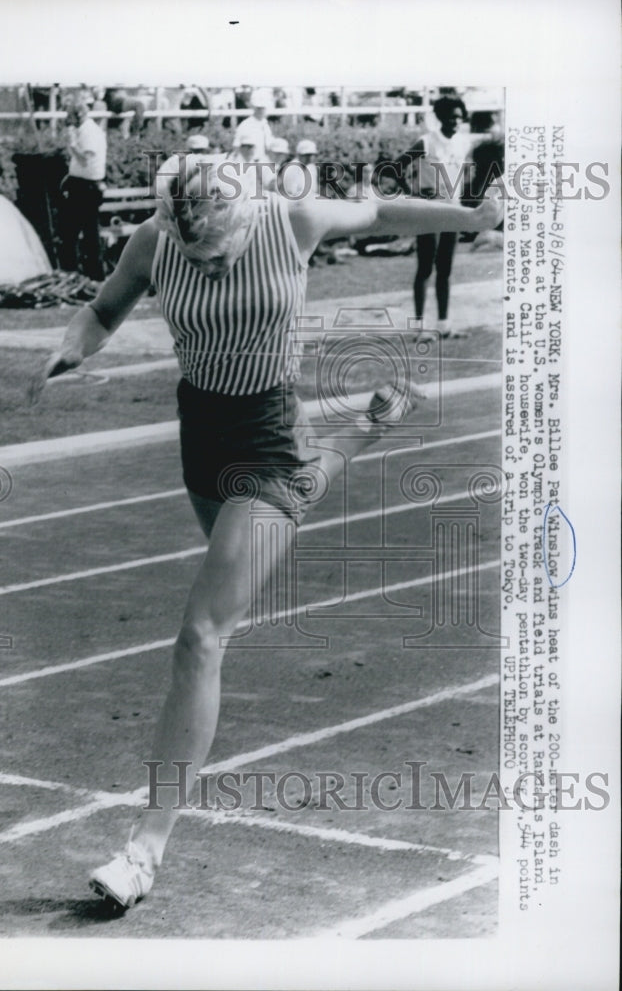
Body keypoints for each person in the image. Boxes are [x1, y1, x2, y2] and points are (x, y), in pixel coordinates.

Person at [29, 152, 502, 910]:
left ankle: (144, 852)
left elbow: (380, 213)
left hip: (268, 436)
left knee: (203, 635)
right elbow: (108, 305)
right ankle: (362, 429)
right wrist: (74, 342)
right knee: (232, 604)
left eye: (218, 256)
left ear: (245, 219)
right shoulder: (155, 240)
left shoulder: (294, 220)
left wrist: (471, 218)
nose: (207, 270)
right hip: (201, 437)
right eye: (195, 259)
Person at [373, 95, 497, 337]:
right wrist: (413, 193)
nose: (455, 122)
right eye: (451, 117)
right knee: (425, 268)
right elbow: (396, 169)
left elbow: (464, 174)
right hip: (428, 212)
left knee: (445, 269)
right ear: (440, 118)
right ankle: (419, 327)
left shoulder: (463, 143)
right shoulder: (426, 142)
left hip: (453, 212)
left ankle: (444, 326)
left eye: (459, 118)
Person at [59, 98, 107, 281]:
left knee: (83, 232)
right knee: (76, 231)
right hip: (81, 183)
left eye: (70, 116)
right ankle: (78, 270)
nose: (68, 120)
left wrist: (72, 145)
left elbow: (85, 159)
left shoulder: (89, 132)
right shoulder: (85, 130)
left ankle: (89, 271)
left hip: (86, 187)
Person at [232, 87, 274, 162]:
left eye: (263, 108)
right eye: (259, 108)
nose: (261, 110)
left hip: (263, 162)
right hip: (248, 163)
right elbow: (236, 145)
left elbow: (269, 146)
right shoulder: (245, 125)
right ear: (254, 108)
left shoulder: (266, 125)